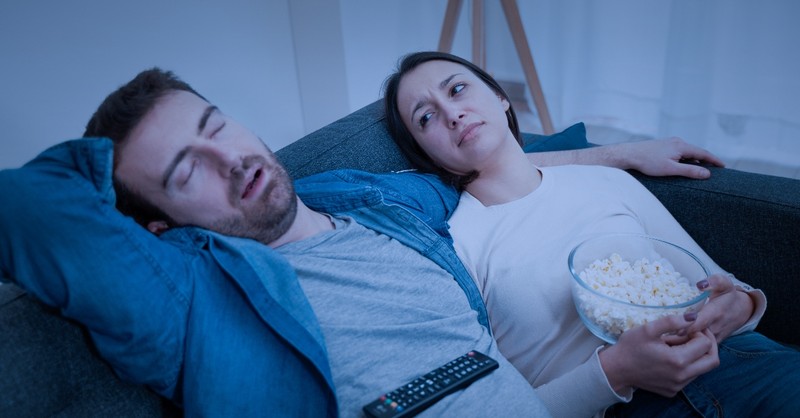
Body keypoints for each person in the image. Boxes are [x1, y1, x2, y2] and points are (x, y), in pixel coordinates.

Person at [0, 68, 742, 416]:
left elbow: (484, 160)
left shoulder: (374, 199)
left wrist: (618, 153)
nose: (234, 160)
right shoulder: (190, 297)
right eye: (188, 170)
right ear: (157, 229)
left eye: (215, 124)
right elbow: (24, 208)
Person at [382, 50, 800, 418]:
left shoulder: (605, 180)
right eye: (426, 117)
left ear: (499, 96)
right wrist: (617, 371)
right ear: (425, 154)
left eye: (456, 90)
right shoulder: (454, 247)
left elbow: (725, 285)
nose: (452, 113)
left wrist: (738, 306)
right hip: (632, 404)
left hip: (749, 357)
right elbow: (492, 407)